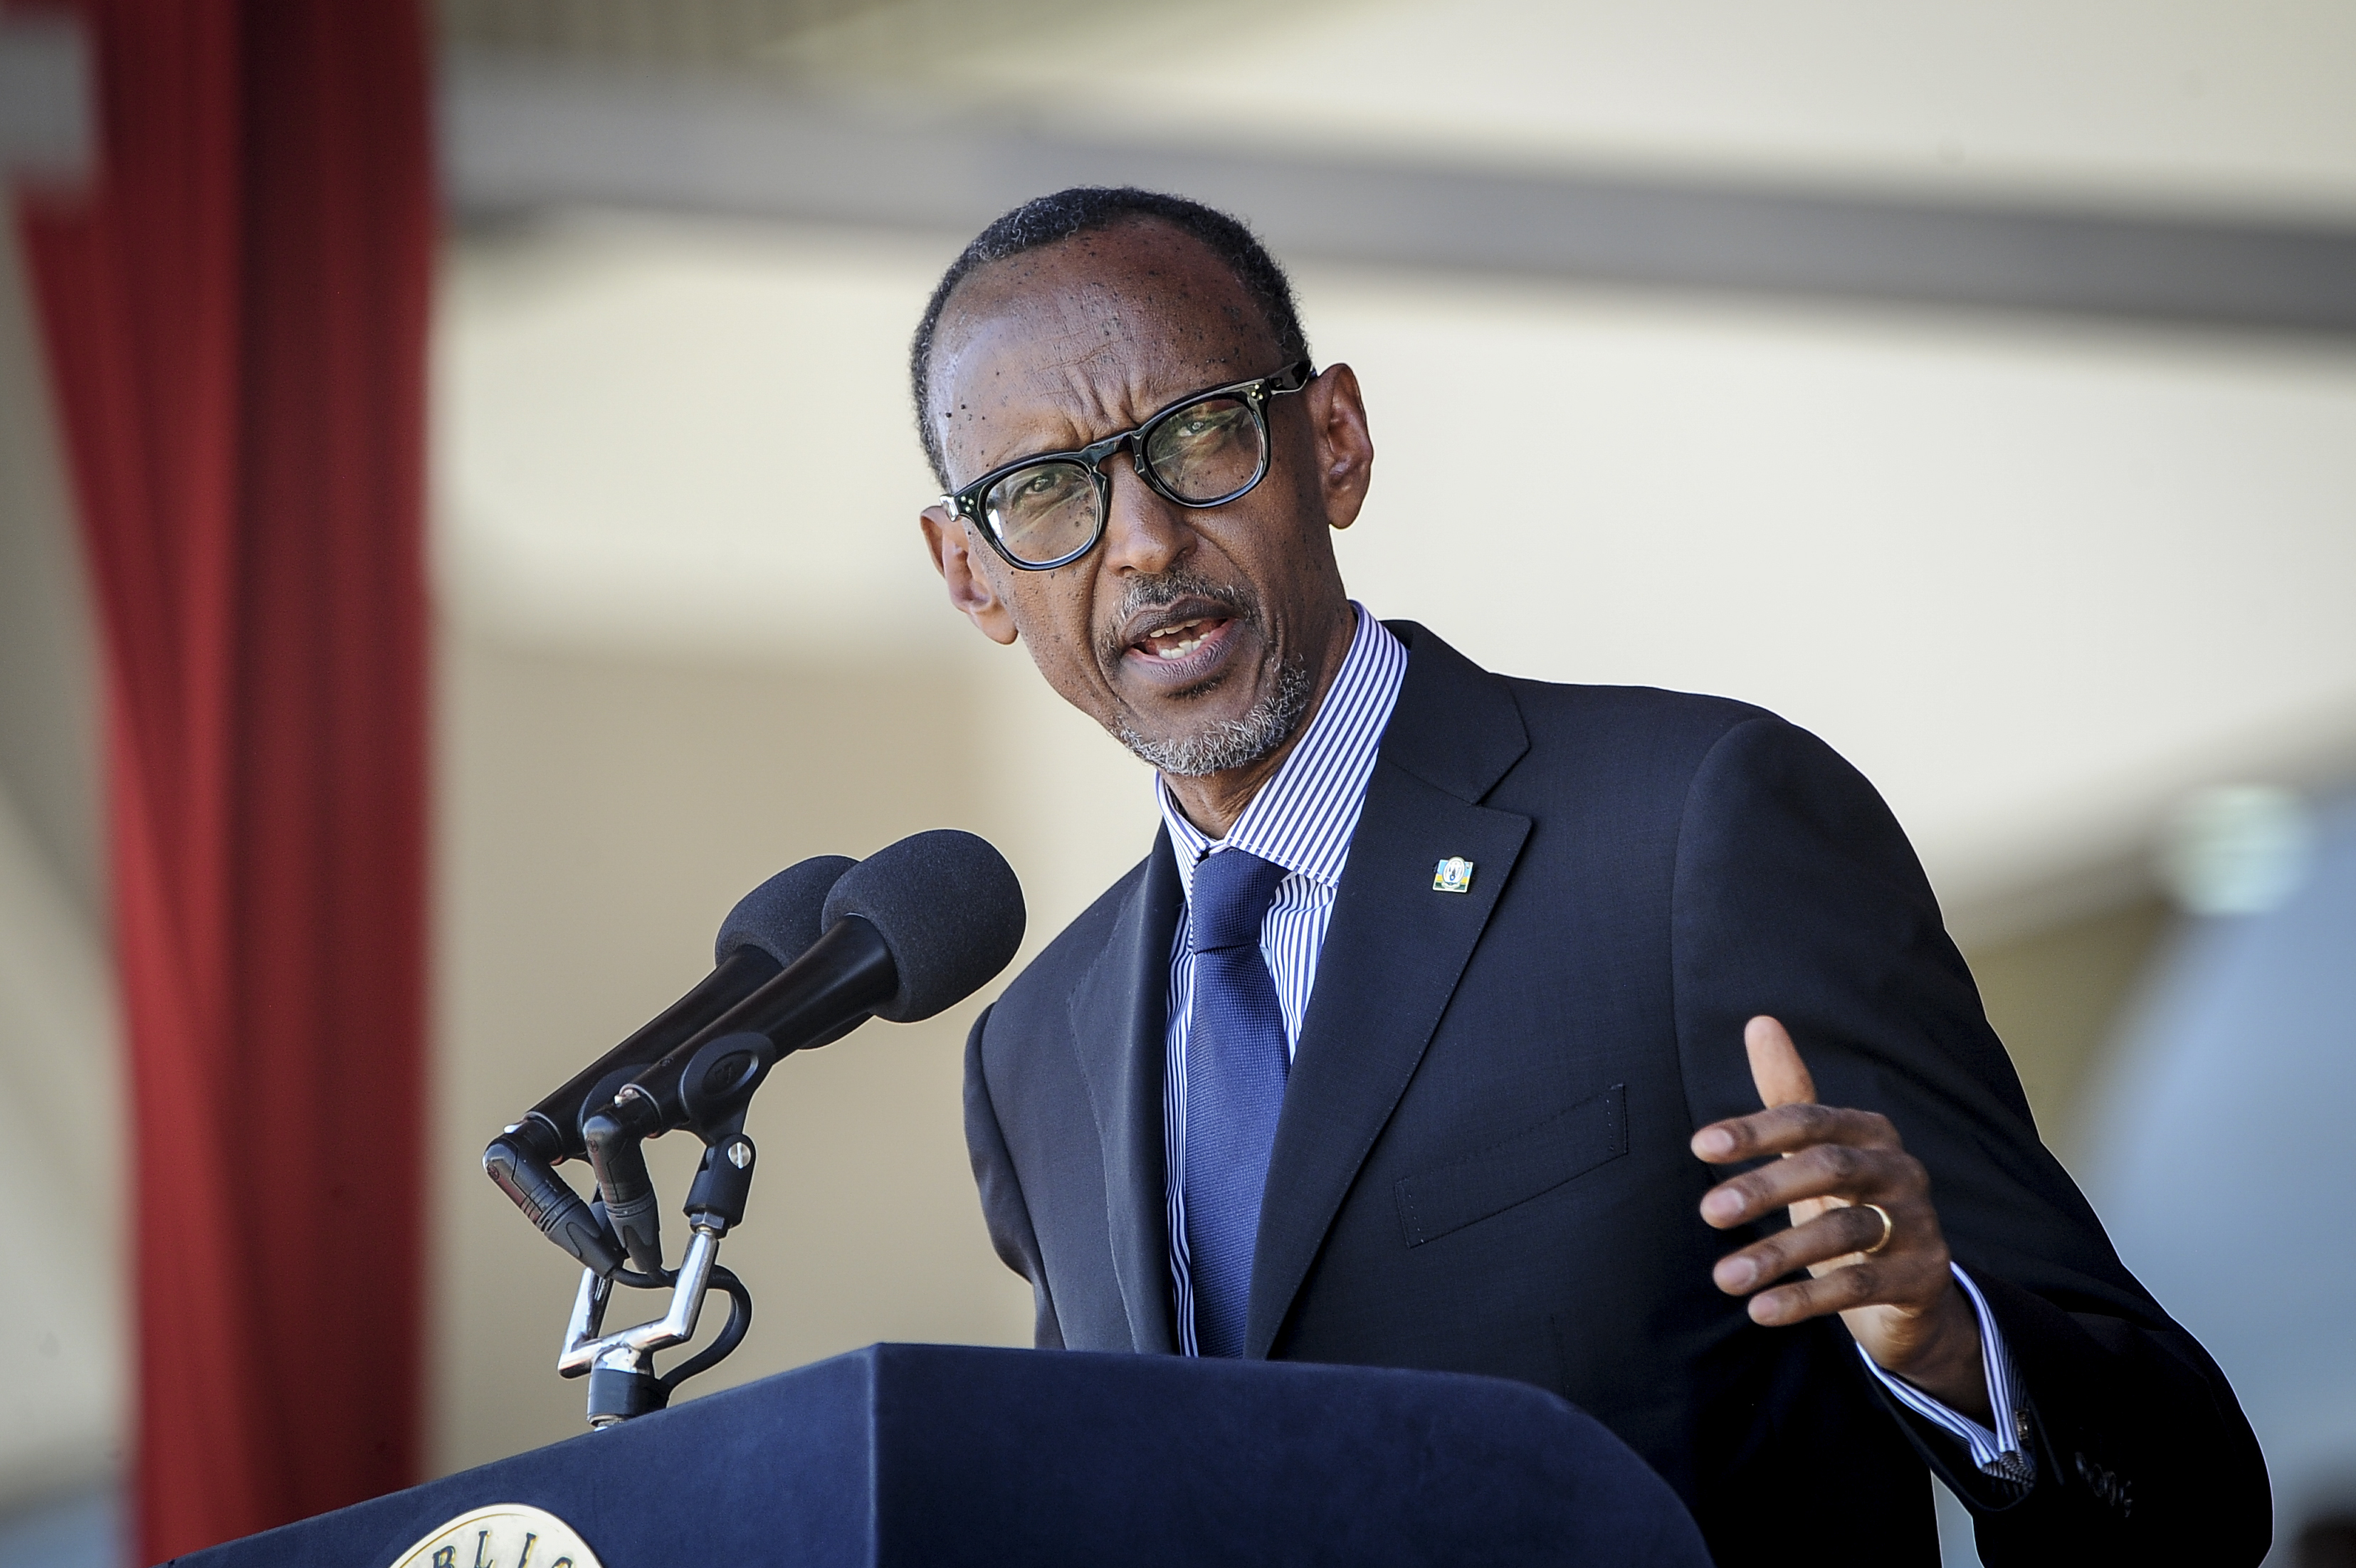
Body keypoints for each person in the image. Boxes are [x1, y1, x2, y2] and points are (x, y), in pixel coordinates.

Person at [913, 186, 2268, 1564]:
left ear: (1331, 442)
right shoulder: (1037, 1052)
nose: (1141, 539)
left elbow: (2181, 1494)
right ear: (968, 575)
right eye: (1045, 489)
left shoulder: (1692, 825)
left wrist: (1945, 1343)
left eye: (1197, 433)